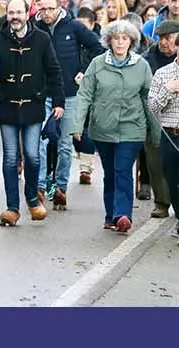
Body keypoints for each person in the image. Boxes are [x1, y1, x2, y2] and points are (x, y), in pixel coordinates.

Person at [72, 20, 157, 233]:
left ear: (132, 42)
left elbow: (149, 99)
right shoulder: (98, 64)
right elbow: (85, 95)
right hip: (103, 128)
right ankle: (110, 215)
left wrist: (155, 131)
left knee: (122, 170)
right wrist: (78, 125)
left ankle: (123, 215)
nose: (120, 43)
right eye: (116, 38)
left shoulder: (141, 65)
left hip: (132, 127)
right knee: (110, 172)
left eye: (124, 38)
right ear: (109, 41)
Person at [0, 0, 65, 226]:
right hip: (7, 106)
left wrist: (58, 101)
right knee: (11, 158)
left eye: (19, 12)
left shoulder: (41, 38)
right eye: (11, 13)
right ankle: (12, 207)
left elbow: (54, 70)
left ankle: (32, 198)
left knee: (32, 155)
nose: (15, 17)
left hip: (33, 105)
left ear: (27, 14)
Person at [34, 0, 104, 208]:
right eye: (42, 9)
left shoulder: (73, 27)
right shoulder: (35, 28)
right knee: (40, 143)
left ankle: (61, 188)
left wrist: (84, 70)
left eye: (50, 9)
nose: (46, 13)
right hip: (42, 93)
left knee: (65, 144)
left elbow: (97, 48)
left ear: (59, 7)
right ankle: (40, 187)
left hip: (69, 93)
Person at [142, 20, 179, 218]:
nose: (164, 42)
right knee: (165, 173)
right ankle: (165, 204)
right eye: (161, 38)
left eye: (168, 38)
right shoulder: (155, 66)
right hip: (163, 127)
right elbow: (152, 104)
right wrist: (168, 90)